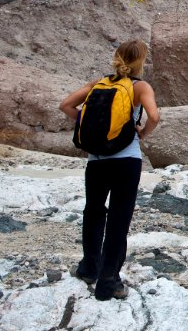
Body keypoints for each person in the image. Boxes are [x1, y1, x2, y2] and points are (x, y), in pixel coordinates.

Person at [59, 40, 160, 301]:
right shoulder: (140, 87)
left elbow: (66, 106)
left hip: (97, 159)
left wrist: (89, 126)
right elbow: (155, 117)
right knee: (118, 218)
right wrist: (142, 133)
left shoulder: (98, 84)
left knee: (93, 211)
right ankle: (109, 281)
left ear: (116, 58)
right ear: (141, 62)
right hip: (126, 160)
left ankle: (88, 268)